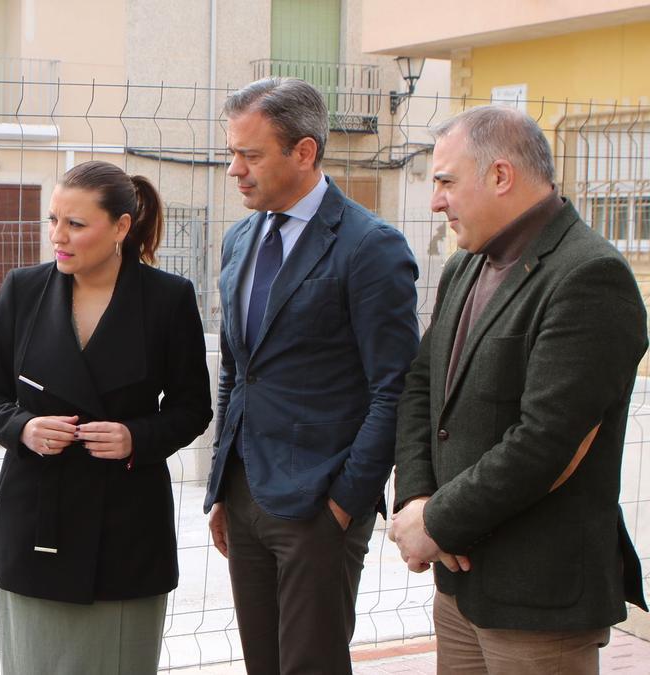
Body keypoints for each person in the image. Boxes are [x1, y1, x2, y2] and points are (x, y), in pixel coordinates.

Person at [390, 105, 647, 673]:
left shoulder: (588, 276)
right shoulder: (467, 266)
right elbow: (421, 385)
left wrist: (437, 522)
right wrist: (415, 497)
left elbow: (545, 442)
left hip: (538, 600)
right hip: (459, 587)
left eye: (446, 182)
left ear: (501, 176)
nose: (436, 201)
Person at [203, 77, 420, 674]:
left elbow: (395, 387)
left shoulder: (370, 246)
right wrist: (225, 487)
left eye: (250, 155)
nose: (234, 170)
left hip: (320, 507)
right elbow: (237, 371)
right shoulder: (240, 239)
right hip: (245, 496)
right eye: (231, 154)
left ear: (304, 152)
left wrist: (345, 504)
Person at [0, 160, 212, 674]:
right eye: (53, 221)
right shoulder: (22, 290)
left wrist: (135, 437)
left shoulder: (168, 299)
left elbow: (193, 407)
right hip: (36, 522)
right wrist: (23, 428)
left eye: (76, 224)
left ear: (121, 226)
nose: (59, 237)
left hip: (124, 530)